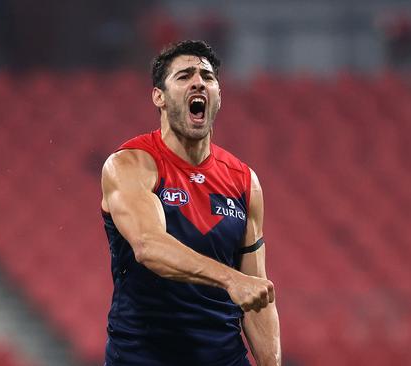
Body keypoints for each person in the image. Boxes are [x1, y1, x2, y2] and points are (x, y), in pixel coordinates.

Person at [100, 40, 281, 366]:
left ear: (218, 96)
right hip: (142, 358)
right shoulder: (131, 165)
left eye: (207, 77)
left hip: (223, 357)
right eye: (184, 76)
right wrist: (230, 279)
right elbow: (148, 246)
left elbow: (257, 295)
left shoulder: (244, 181)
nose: (198, 81)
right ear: (160, 97)